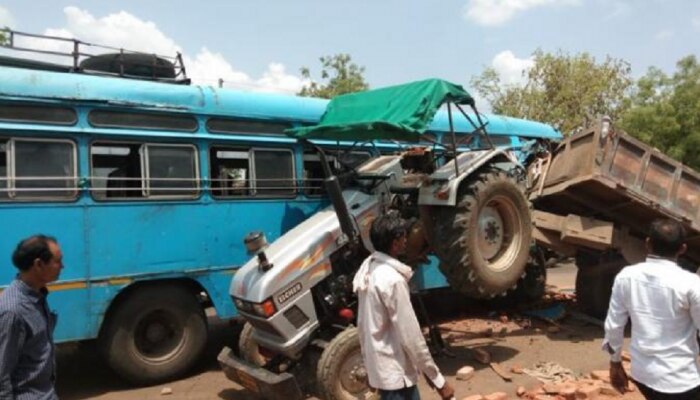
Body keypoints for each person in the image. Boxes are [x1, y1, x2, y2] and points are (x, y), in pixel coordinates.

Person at [353, 212, 455, 400]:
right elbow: (411, 336)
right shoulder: (392, 280)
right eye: (403, 237)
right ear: (394, 243)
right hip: (395, 374)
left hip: (385, 372)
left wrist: (369, 367)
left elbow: (363, 327)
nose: (406, 240)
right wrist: (438, 380)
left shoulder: (367, 271)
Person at [603, 219, 700, 399]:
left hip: (643, 375)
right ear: (683, 249)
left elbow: (614, 325)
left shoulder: (626, 277)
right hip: (681, 380)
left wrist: (615, 363)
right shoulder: (691, 284)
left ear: (648, 244)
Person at [0, 235, 63, 400]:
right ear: (39, 265)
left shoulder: (37, 296)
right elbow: (2, 372)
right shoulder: (13, 311)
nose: (62, 266)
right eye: (58, 261)